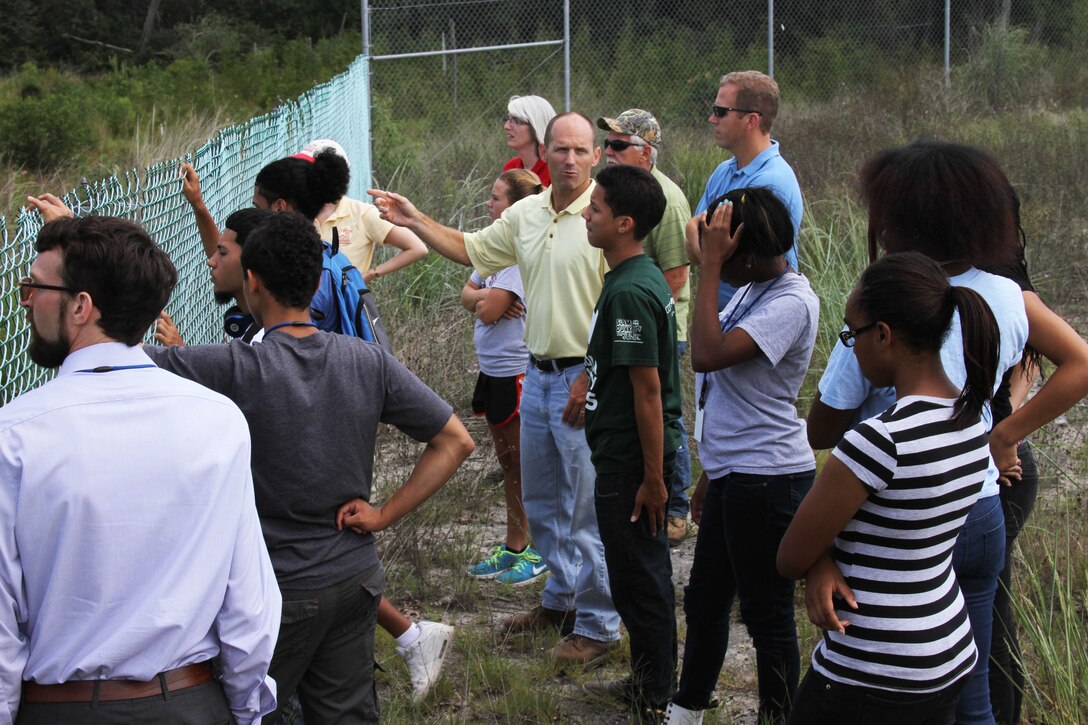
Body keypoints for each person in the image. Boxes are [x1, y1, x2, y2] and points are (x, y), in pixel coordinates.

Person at [144, 212, 475, 722]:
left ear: (251, 282)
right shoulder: (367, 361)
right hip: (356, 578)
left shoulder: (234, 366)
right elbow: (455, 441)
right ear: (319, 280)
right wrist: (383, 515)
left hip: (279, 588)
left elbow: (114, 355)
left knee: (251, 711)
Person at [805, 140, 1088, 725]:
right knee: (971, 689)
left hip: (898, 508)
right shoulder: (1008, 294)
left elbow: (825, 423)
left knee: (880, 681)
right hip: (980, 501)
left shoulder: (886, 300)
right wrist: (1004, 435)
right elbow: (1078, 363)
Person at [0, 215, 280, 725]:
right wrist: (244, 709)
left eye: (33, 287)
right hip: (189, 700)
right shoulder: (218, 420)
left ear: (81, 306)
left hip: (58, 709)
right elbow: (248, 600)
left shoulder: (15, 434)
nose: (25, 301)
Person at [370, 112, 622, 667]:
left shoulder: (608, 215)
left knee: (585, 508)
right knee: (541, 500)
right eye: (561, 150)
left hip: (585, 378)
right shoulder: (528, 213)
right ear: (546, 152)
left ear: (596, 156)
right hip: (536, 376)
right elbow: (472, 250)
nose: (571, 161)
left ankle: (601, 627)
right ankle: (559, 601)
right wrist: (416, 218)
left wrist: (595, 375)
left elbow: (624, 300)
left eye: (582, 151)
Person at [778, 251, 1001, 725]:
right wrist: (825, 560)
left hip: (873, 664)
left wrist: (817, 560)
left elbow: (790, 556)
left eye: (851, 334)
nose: (851, 347)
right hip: (947, 649)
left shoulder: (879, 440)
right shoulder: (970, 422)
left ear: (883, 335)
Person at [664, 188, 819, 725]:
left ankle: (779, 717)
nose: (720, 263)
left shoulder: (790, 301)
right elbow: (723, 393)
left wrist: (708, 267)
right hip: (737, 473)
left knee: (766, 616)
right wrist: (711, 472)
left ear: (747, 255)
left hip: (769, 478)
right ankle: (685, 711)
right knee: (705, 600)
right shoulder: (755, 286)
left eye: (727, 253)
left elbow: (706, 355)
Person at [579, 164, 680, 719]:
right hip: (624, 460)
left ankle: (656, 698)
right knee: (639, 574)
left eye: (595, 209)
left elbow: (648, 392)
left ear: (624, 222)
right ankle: (650, 678)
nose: (586, 216)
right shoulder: (629, 280)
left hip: (632, 467)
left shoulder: (631, 294)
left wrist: (654, 479)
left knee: (640, 580)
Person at [597, 107, 694, 545]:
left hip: (659, 330)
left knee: (661, 410)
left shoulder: (666, 199)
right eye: (608, 144)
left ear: (645, 152)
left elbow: (675, 275)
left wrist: (640, 320)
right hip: (633, 321)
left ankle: (675, 506)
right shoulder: (620, 192)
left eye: (618, 145)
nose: (608, 153)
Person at [463, 169, 548, 586]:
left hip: (517, 370)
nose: (489, 204)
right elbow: (469, 297)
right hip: (492, 370)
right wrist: (484, 297)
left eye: (496, 198)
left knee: (526, 464)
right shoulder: (495, 250)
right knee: (509, 463)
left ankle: (537, 549)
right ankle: (514, 545)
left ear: (515, 208)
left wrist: (486, 301)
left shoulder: (518, 254)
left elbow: (489, 311)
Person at [683, 71, 803, 311]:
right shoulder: (723, 171)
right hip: (724, 318)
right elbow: (696, 241)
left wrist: (707, 249)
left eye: (720, 111)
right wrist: (700, 241)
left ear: (751, 120)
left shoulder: (772, 182)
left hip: (757, 320)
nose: (711, 119)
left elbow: (720, 253)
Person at [155, 208, 274, 346]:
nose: (210, 261)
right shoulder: (269, 328)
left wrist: (179, 350)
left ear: (250, 263)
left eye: (222, 253)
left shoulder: (260, 341)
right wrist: (197, 204)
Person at [502, 95, 556, 186]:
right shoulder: (511, 167)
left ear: (536, 125)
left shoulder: (555, 171)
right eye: (508, 119)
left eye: (515, 120)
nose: (506, 126)